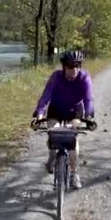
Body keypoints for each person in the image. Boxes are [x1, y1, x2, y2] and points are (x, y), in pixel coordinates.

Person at [32, 50, 95, 189]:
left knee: (72, 140)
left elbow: (88, 99)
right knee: (53, 133)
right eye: (70, 66)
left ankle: (74, 173)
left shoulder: (84, 78)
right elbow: (45, 96)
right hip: (56, 109)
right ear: (64, 67)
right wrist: (40, 113)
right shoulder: (56, 77)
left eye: (78, 66)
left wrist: (89, 116)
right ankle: (52, 156)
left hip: (75, 111)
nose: (74, 70)